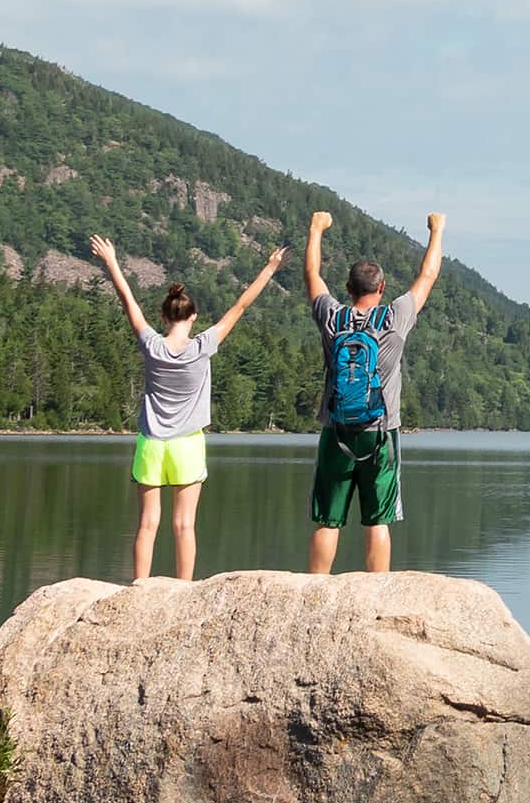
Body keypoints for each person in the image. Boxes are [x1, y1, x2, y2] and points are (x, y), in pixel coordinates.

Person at [91, 236, 284, 583]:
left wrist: (112, 262)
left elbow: (128, 301)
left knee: (147, 524)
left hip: (151, 443)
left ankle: (139, 586)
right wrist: (269, 268)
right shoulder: (203, 346)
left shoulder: (151, 345)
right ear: (193, 316)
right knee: (184, 524)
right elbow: (240, 306)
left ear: (164, 316)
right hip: (187, 445)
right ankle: (183, 589)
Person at [302, 205, 440, 575]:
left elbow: (312, 274)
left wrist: (316, 229)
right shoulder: (394, 318)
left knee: (328, 519)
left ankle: (315, 588)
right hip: (381, 432)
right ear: (381, 288)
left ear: (348, 289)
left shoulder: (332, 317)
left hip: (336, 430)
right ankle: (376, 591)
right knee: (377, 519)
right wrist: (436, 230)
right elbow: (427, 276)